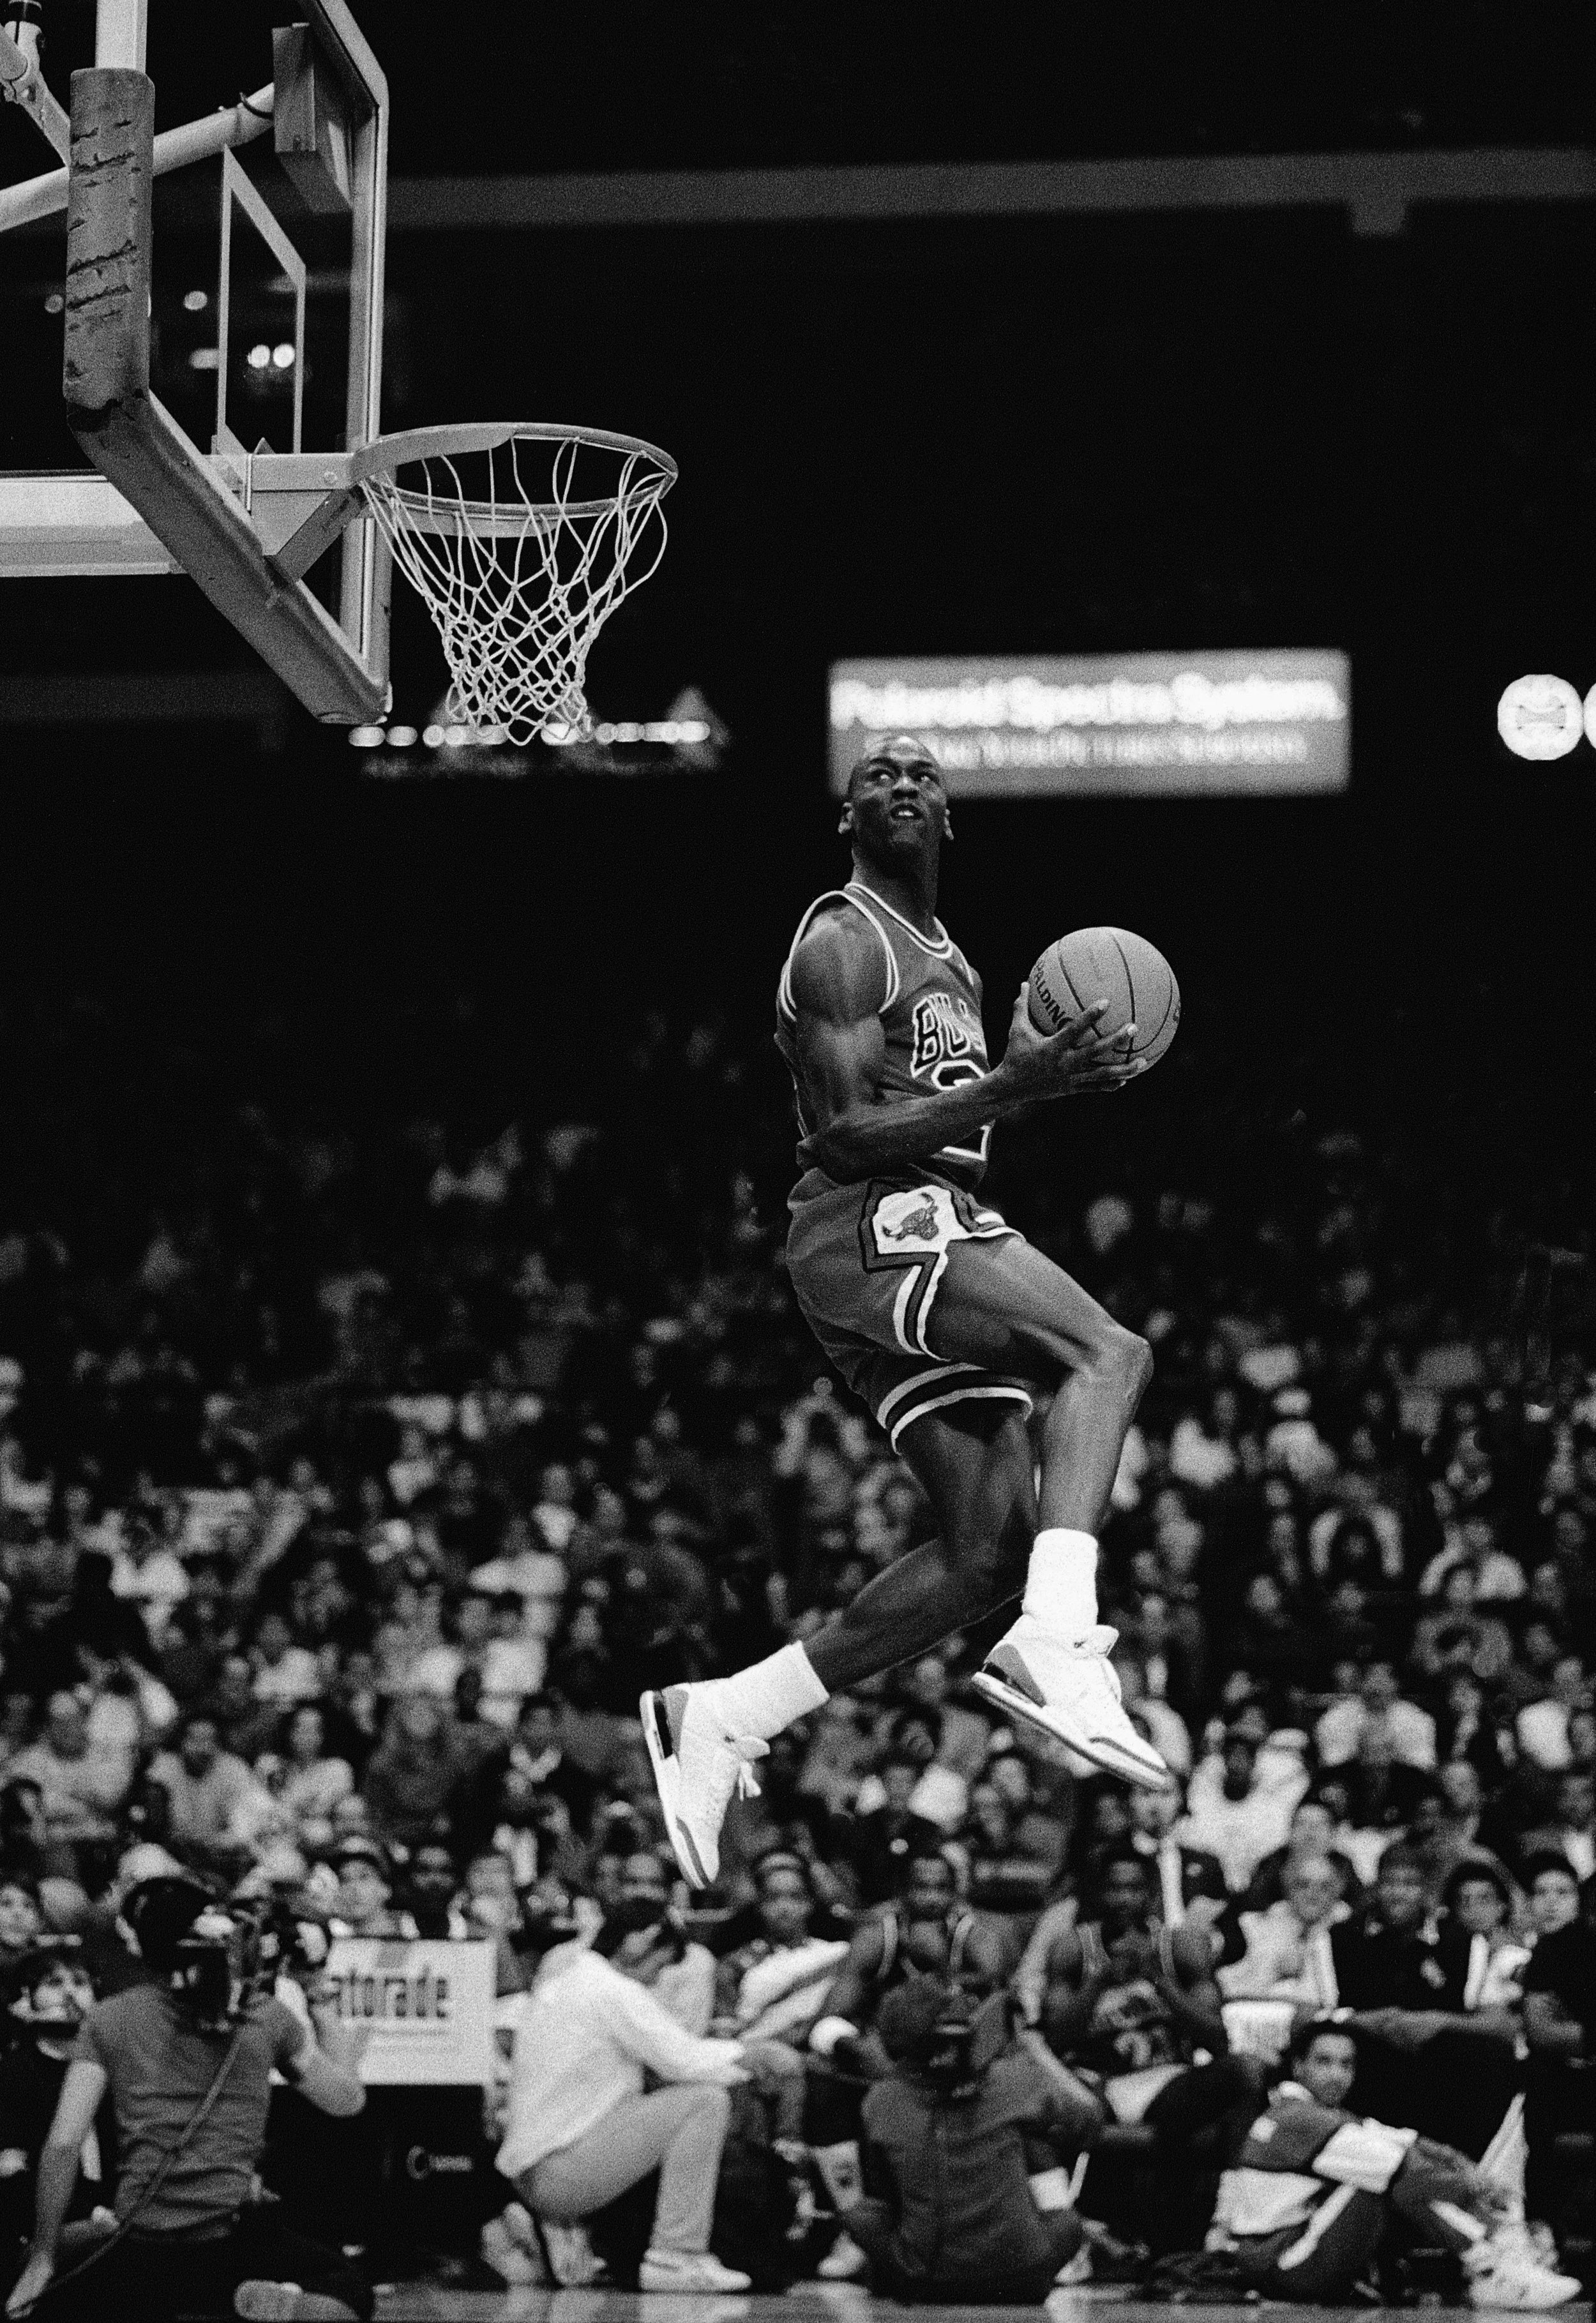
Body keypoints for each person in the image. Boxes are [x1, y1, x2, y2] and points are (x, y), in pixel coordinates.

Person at [644, 734, 1164, 1891]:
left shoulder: (959, 966)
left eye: (925, 774)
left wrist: (1030, 1082)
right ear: (847, 814)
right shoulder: (843, 937)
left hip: (901, 1226)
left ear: (951, 814)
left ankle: (727, 1712)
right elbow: (838, 1133)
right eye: (879, 773)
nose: (903, 784)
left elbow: (948, 1117)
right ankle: (1062, 1643)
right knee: (1107, 1352)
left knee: (985, 1545)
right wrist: (1016, 1083)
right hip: (868, 1217)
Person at [6, 1874, 370, 2321]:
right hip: (232, 2237)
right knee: (350, 2289)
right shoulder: (265, 2016)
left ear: (141, 1946)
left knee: (44, 2293)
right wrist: (315, 1988)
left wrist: (43, 2258)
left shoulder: (109, 2018)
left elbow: (62, 2144)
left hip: (139, 2241)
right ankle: (269, 2298)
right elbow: (346, 2101)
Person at [497, 1894, 800, 2294]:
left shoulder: (572, 1979)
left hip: (542, 2168)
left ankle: (577, 2234)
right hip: (559, 2173)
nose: (658, 1978)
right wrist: (754, 2054)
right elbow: (683, 2060)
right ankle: (677, 2255)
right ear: (642, 1939)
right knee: (704, 2101)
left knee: (682, 2100)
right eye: (661, 1962)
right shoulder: (608, 1989)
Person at [1208, 2019, 1580, 2307]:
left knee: (1397, 2170)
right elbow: (1403, 2167)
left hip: (1278, 2256)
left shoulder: (1313, 2115)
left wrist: (1461, 2164)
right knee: (1386, 2182)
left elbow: (1405, 2139)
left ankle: (1495, 2262)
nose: (1338, 2075)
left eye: (1346, 2064)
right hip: (1280, 2264)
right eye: (1325, 2062)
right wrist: (1478, 2185)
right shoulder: (1301, 2120)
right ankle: (1491, 2267)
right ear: (1298, 2067)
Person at [846, 1974, 1090, 2304]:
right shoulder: (1011, 2081)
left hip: (925, 2279)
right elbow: (1088, 2119)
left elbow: (885, 2195)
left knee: (864, 2215)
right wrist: (1033, 2048)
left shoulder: (881, 2099)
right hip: (1023, 2279)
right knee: (1068, 2223)